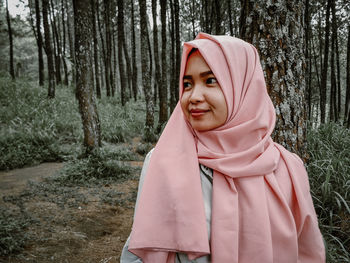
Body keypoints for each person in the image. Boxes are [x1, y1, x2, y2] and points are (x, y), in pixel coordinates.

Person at [121, 33, 325, 263]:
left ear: (243, 87)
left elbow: (308, 252)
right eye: (187, 84)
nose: (193, 96)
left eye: (210, 80)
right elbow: (140, 253)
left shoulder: (288, 167)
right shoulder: (164, 162)